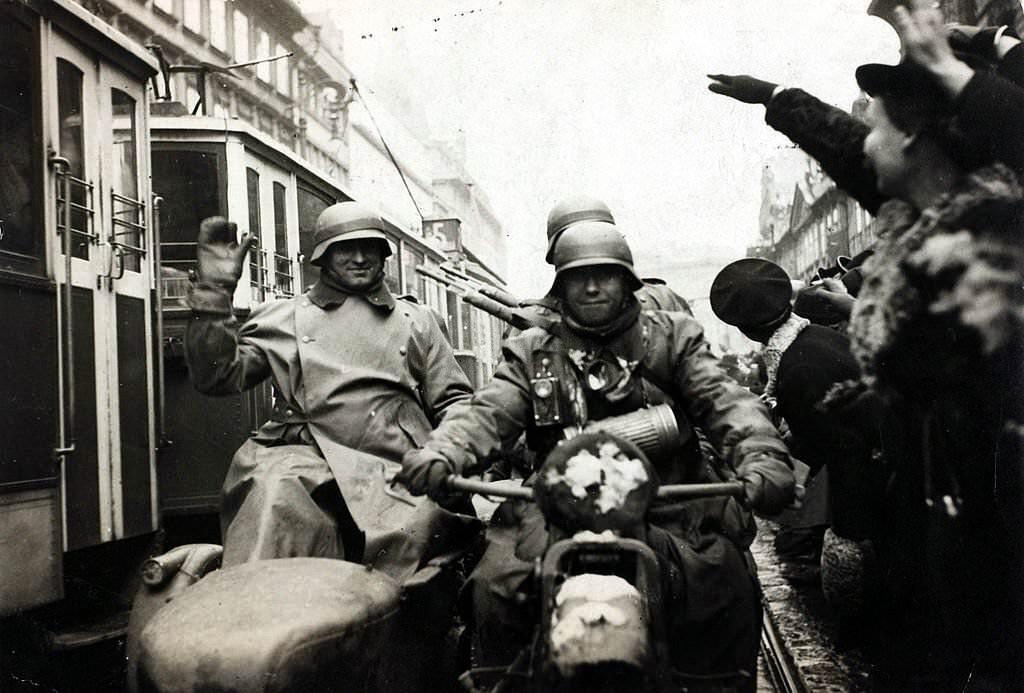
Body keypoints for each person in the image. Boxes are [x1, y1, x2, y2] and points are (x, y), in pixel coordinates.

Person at [399, 219, 795, 686]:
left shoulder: (672, 337)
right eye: (576, 277)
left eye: (603, 275)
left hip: (668, 497)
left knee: (720, 580)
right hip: (554, 503)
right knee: (496, 587)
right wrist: (443, 452)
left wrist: (762, 456)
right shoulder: (532, 348)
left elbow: (726, 402)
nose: (590, 287)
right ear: (559, 286)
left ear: (627, 281)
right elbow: (488, 412)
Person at [184, 202, 478, 579]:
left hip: (396, 463)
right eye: (345, 249)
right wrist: (214, 293)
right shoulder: (282, 317)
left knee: (413, 559)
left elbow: (455, 401)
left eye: (369, 248)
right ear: (323, 256)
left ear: (383, 254)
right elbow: (217, 377)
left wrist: (445, 452)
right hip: (300, 459)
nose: (359, 258)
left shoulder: (416, 321)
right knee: (272, 505)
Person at [711, 258, 882, 637]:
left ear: (744, 328)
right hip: (885, 470)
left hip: (873, 492)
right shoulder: (818, 339)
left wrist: (849, 533)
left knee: (860, 579)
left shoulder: (797, 366)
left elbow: (840, 446)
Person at [707, 16, 1024, 217]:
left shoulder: (995, 241)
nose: (866, 143)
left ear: (910, 136)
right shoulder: (917, 211)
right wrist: (772, 94)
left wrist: (991, 47)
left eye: (873, 129)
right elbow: (846, 146)